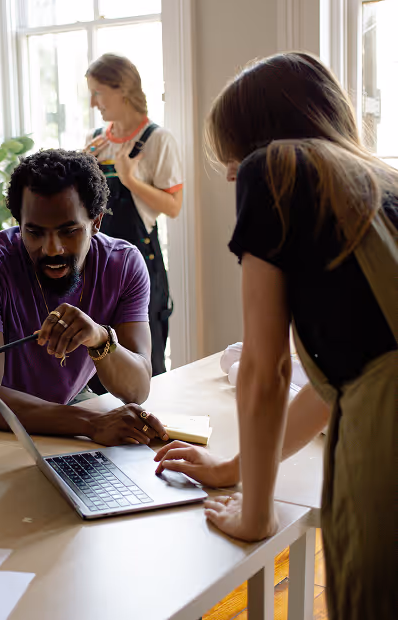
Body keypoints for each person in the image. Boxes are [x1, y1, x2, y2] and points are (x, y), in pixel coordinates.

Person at [154, 53, 397, 619]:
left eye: (233, 157)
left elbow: (268, 370)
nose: (235, 175)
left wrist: (255, 512)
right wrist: (230, 469)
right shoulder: (380, 185)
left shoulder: (275, 168)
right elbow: (339, 383)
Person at [0, 149, 169, 455]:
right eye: (34, 232)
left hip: (67, 401)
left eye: (69, 231)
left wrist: (99, 338)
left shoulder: (123, 264)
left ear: (96, 221)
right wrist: (91, 423)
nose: (52, 249)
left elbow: (137, 389)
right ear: (18, 222)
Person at [84, 53, 183, 379]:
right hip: (96, 267)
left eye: (98, 92)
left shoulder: (158, 140)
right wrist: (81, 166)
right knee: (97, 366)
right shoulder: (96, 140)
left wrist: (130, 180)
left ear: (122, 89)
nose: (93, 102)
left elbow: (173, 206)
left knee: (146, 365)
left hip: (141, 266)